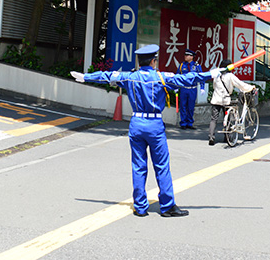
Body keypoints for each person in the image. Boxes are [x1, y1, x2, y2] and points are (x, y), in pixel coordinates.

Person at [71, 44, 220, 217]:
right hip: (154, 125)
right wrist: (212, 74)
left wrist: (85, 77)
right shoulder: (161, 77)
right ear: (153, 61)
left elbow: (106, 75)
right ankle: (167, 206)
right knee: (162, 166)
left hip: (136, 123)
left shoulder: (129, 77)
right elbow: (188, 79)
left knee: (138, 165)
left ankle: (140, 207)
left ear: (140, 62)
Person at [208, 59, 256, 145]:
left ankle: (211, 137)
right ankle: (227, 137)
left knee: (213, 119)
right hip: (226, 100)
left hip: (216, 99)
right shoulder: (230, 76)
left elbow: (214, 86)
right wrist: (250, 87)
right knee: (228, 118)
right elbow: (240, 84)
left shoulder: (216, 75)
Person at [177, 48, 202, 129]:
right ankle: (183, 123)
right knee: (183, 106)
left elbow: (201, 77)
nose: (185, 56)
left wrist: (202, 87)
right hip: (184, 88)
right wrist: (176, 87)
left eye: (187, 55)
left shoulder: (197, 66)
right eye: (185, 55)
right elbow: (177, 77)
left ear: (192, 57)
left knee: (191, 106)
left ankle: (190, 123)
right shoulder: (181, 65)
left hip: (192, 88)